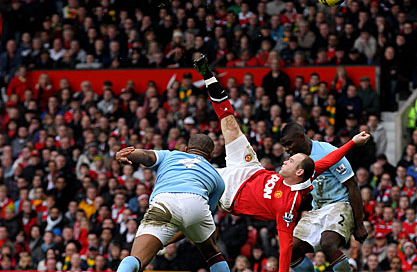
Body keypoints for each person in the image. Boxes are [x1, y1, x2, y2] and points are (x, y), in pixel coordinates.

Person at [192, 54, 370, 272]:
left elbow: (284, 247)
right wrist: (352, 142)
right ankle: (209, 77)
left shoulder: (286, 204)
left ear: (299, 170)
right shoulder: (304, 172)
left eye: (290, 152)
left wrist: (359, 223)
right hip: (250, 169)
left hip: (231, 190)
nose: (286, 154)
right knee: (229, 124)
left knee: (327, 244)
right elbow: (328, 162)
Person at [114, 134, 229, 272]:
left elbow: (146, 155)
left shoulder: (170, 155)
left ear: (186, 150)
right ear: (211, 155)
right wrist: (169, 239)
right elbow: (194, 221)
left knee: (136, 258)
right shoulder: (218, 179)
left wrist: (129, 154)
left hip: (164, 202)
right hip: (196, 203)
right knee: (212, 254)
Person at [279, 124, 368, 272]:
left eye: (289, 144)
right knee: (290, 251)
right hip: (318, 209)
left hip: (340, 205)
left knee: (327, 243)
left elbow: (353, 185)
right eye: (284, 145)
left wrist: (359, 224)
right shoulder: (294, 161)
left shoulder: (327, 152)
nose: (287, 149)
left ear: (301, 137)